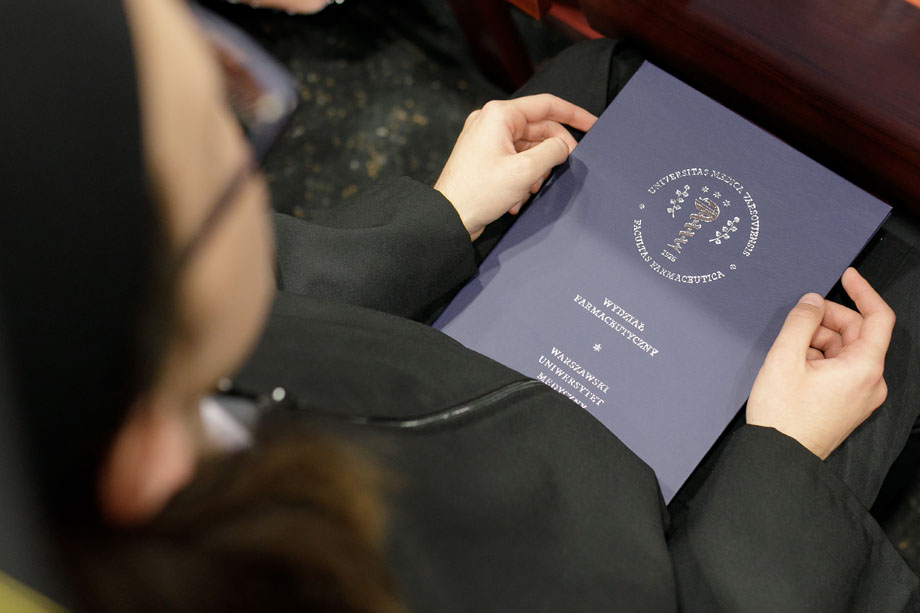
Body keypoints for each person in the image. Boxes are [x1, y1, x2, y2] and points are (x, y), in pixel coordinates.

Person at [1, 0, 919, 610]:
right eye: (234, 138)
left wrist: (436, 220)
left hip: (479, 398)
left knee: (605, 75)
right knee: (901, 275)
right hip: (711, 558)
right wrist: (783, 466)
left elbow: (283, 295)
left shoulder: (75, 374)